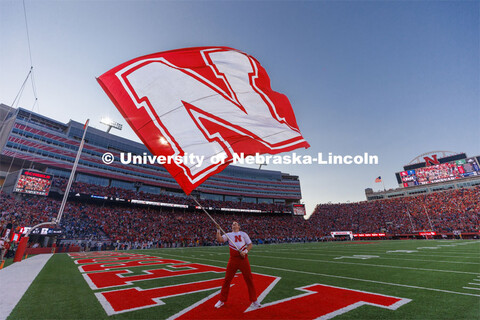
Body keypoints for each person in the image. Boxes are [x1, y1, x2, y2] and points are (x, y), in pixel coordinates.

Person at [214, 221, 261, 309]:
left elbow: (250, 245)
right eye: (232, 224)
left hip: (243, 259)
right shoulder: (228, 234)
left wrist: (245, 251)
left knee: (249, 279)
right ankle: (222, 300)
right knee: (227, 279)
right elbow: (219, 240)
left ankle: (254, 300)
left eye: (235, 224)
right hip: (233, 260)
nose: (233, 225)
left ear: (239, 226)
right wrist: (218, 230)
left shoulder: (243, 234)